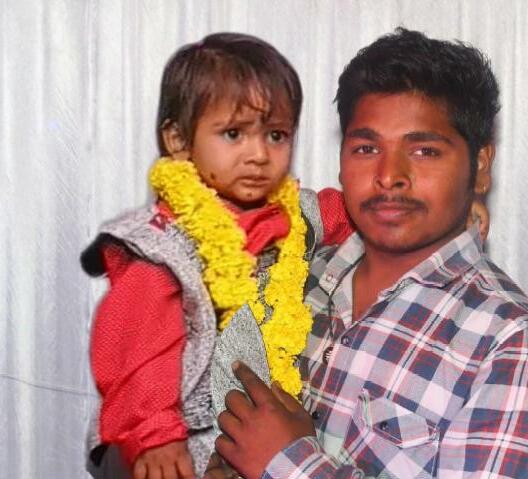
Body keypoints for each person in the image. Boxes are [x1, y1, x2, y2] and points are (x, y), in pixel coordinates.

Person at [214, 28, 528, 479]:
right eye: (367, 148)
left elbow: (277, 458)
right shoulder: (294, 278)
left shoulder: (517, 347)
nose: (390, 175)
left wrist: (288, 463)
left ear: (480, 167)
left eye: (425, 151)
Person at [80, 32, 358, 479]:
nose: (259, 155)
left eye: (276, 135)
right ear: (178, 140)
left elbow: (357, 211)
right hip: (182, 438)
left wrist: (444, 210)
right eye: (233, 133)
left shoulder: (294, 212)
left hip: (265, 435)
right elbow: (134, 347)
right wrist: (154, 436)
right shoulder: (163, 246)